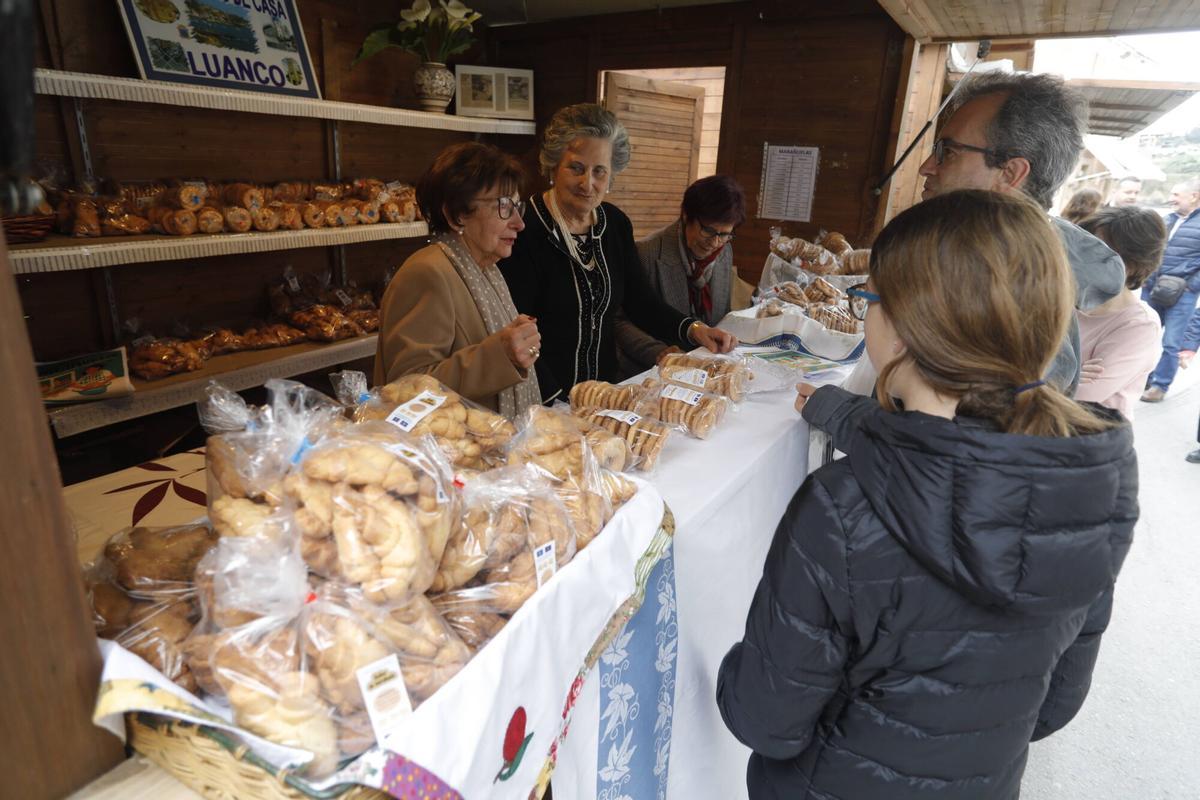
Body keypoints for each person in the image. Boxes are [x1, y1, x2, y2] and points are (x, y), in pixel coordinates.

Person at [717, 190, 1136, 800]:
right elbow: (1055, 705)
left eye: (869, 299)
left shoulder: (843, 507)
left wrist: (732, 665)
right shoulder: (1091, 485)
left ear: (902, 329)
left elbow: (767, 721)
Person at [499, 103, 736, 403]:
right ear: (553, 166)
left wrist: (695, 329)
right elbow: (516, 329)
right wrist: (555, 402)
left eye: (599, 171)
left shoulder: (615, 224)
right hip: (542, 397)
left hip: (605, 392)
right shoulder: (524, 228)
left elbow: (641, 302)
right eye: (576, 168)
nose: (588, 183)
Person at [915, 71, 1126, 395]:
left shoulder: (1019, 297)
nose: (927, 166)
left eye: (948, 151)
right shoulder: (981, 261)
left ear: (1010, 173)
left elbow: (989, 424)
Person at [374, 141, 541, 418]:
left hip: (483, 438)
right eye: (503, 206)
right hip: (446, 443)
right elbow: (406, 390)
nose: (519, 223)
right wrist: (501, 355)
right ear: (456, 215)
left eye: (517, 207)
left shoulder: (484, 270)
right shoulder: (427, 273)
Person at [615, 174, 747, 375]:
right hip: (652, 370)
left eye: (724, 234)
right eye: (708, 230)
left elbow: (719, 316)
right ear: (686, 216)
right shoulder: (646, 253)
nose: (714, 243)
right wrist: (659, 352)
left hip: (704, 365)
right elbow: (619, 322)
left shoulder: (724, 251)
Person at [1073, 206, 1166, 418]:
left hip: (1087, 431)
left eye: (1097, 252)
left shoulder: (1140, 325)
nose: (1080, 258)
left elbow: (1085, 395)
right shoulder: (1065, 300)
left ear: (1132, 265)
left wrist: (1051, 373)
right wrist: (1067, 374)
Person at [1140, 178, 1200, 402]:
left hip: (1183, 293)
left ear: (1193, 197)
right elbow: (1151, 249)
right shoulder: (1167, 219)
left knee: (1172, 342)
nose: (1171, 199)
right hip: (1153, 287)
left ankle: (1160, 385)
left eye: (1176, 195)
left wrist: (1191, 286)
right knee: (1145, 335)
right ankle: (1142, 378)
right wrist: (1146, 276)